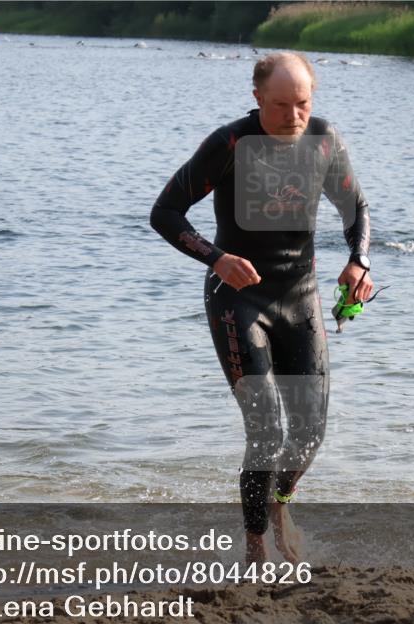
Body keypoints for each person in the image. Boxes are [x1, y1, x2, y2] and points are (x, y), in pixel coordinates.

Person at [150, 52, 372, 563]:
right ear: (256, 99)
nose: (294, 116)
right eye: (280, 106)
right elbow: (164, 212)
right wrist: (216, 257)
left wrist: (358, 261)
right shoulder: (229, 144)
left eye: (302, 103)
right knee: (268, 428)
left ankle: (280, 504)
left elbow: (355, 207)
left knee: (310, 431)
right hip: (238, 298)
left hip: (302, 297)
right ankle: (255, 546)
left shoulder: (324, 141)